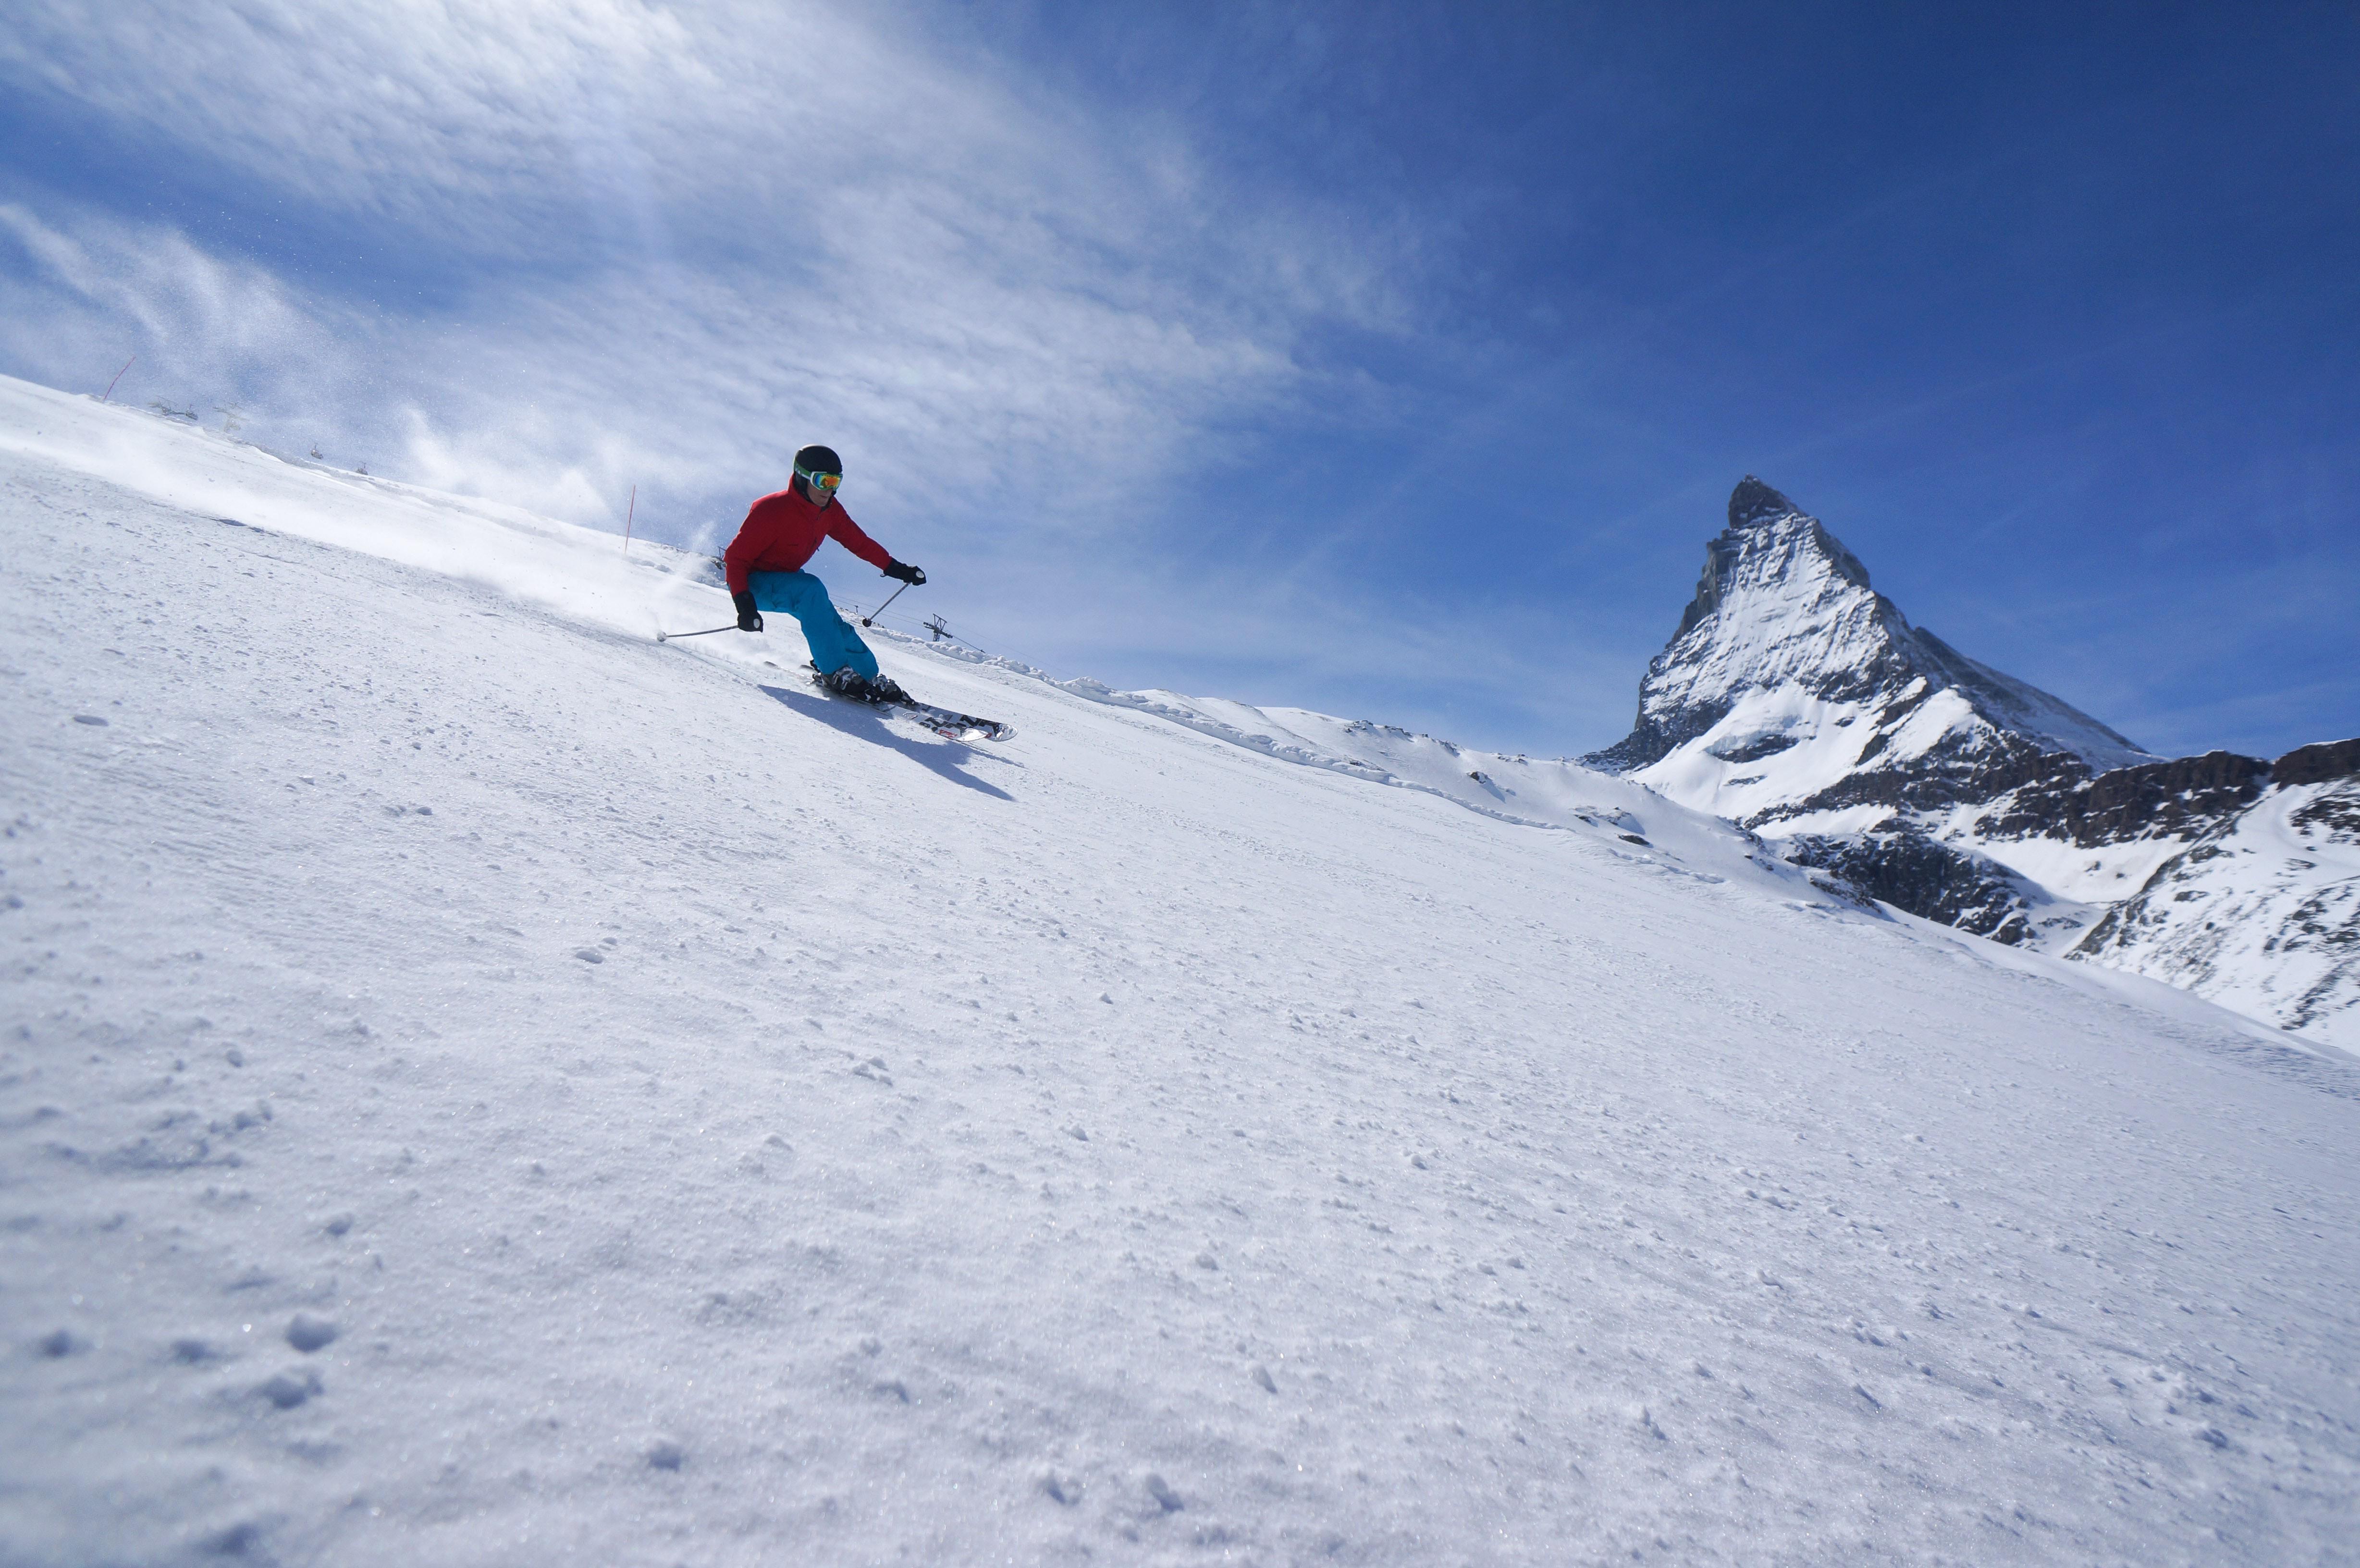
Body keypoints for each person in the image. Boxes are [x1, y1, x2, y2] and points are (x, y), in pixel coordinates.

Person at [723, 445, 927, 703]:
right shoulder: (771, 509)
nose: (829, 490)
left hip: (789, 583)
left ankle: (868, 675)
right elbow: (735, 559)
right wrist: (745, 604)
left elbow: (859, 542)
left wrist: (896, 568)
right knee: (811, 589)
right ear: (802, 476)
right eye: (823, 481)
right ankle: (834, 671)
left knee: (832, 623)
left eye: (835, 482)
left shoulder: (830, 511)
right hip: (753, 585)